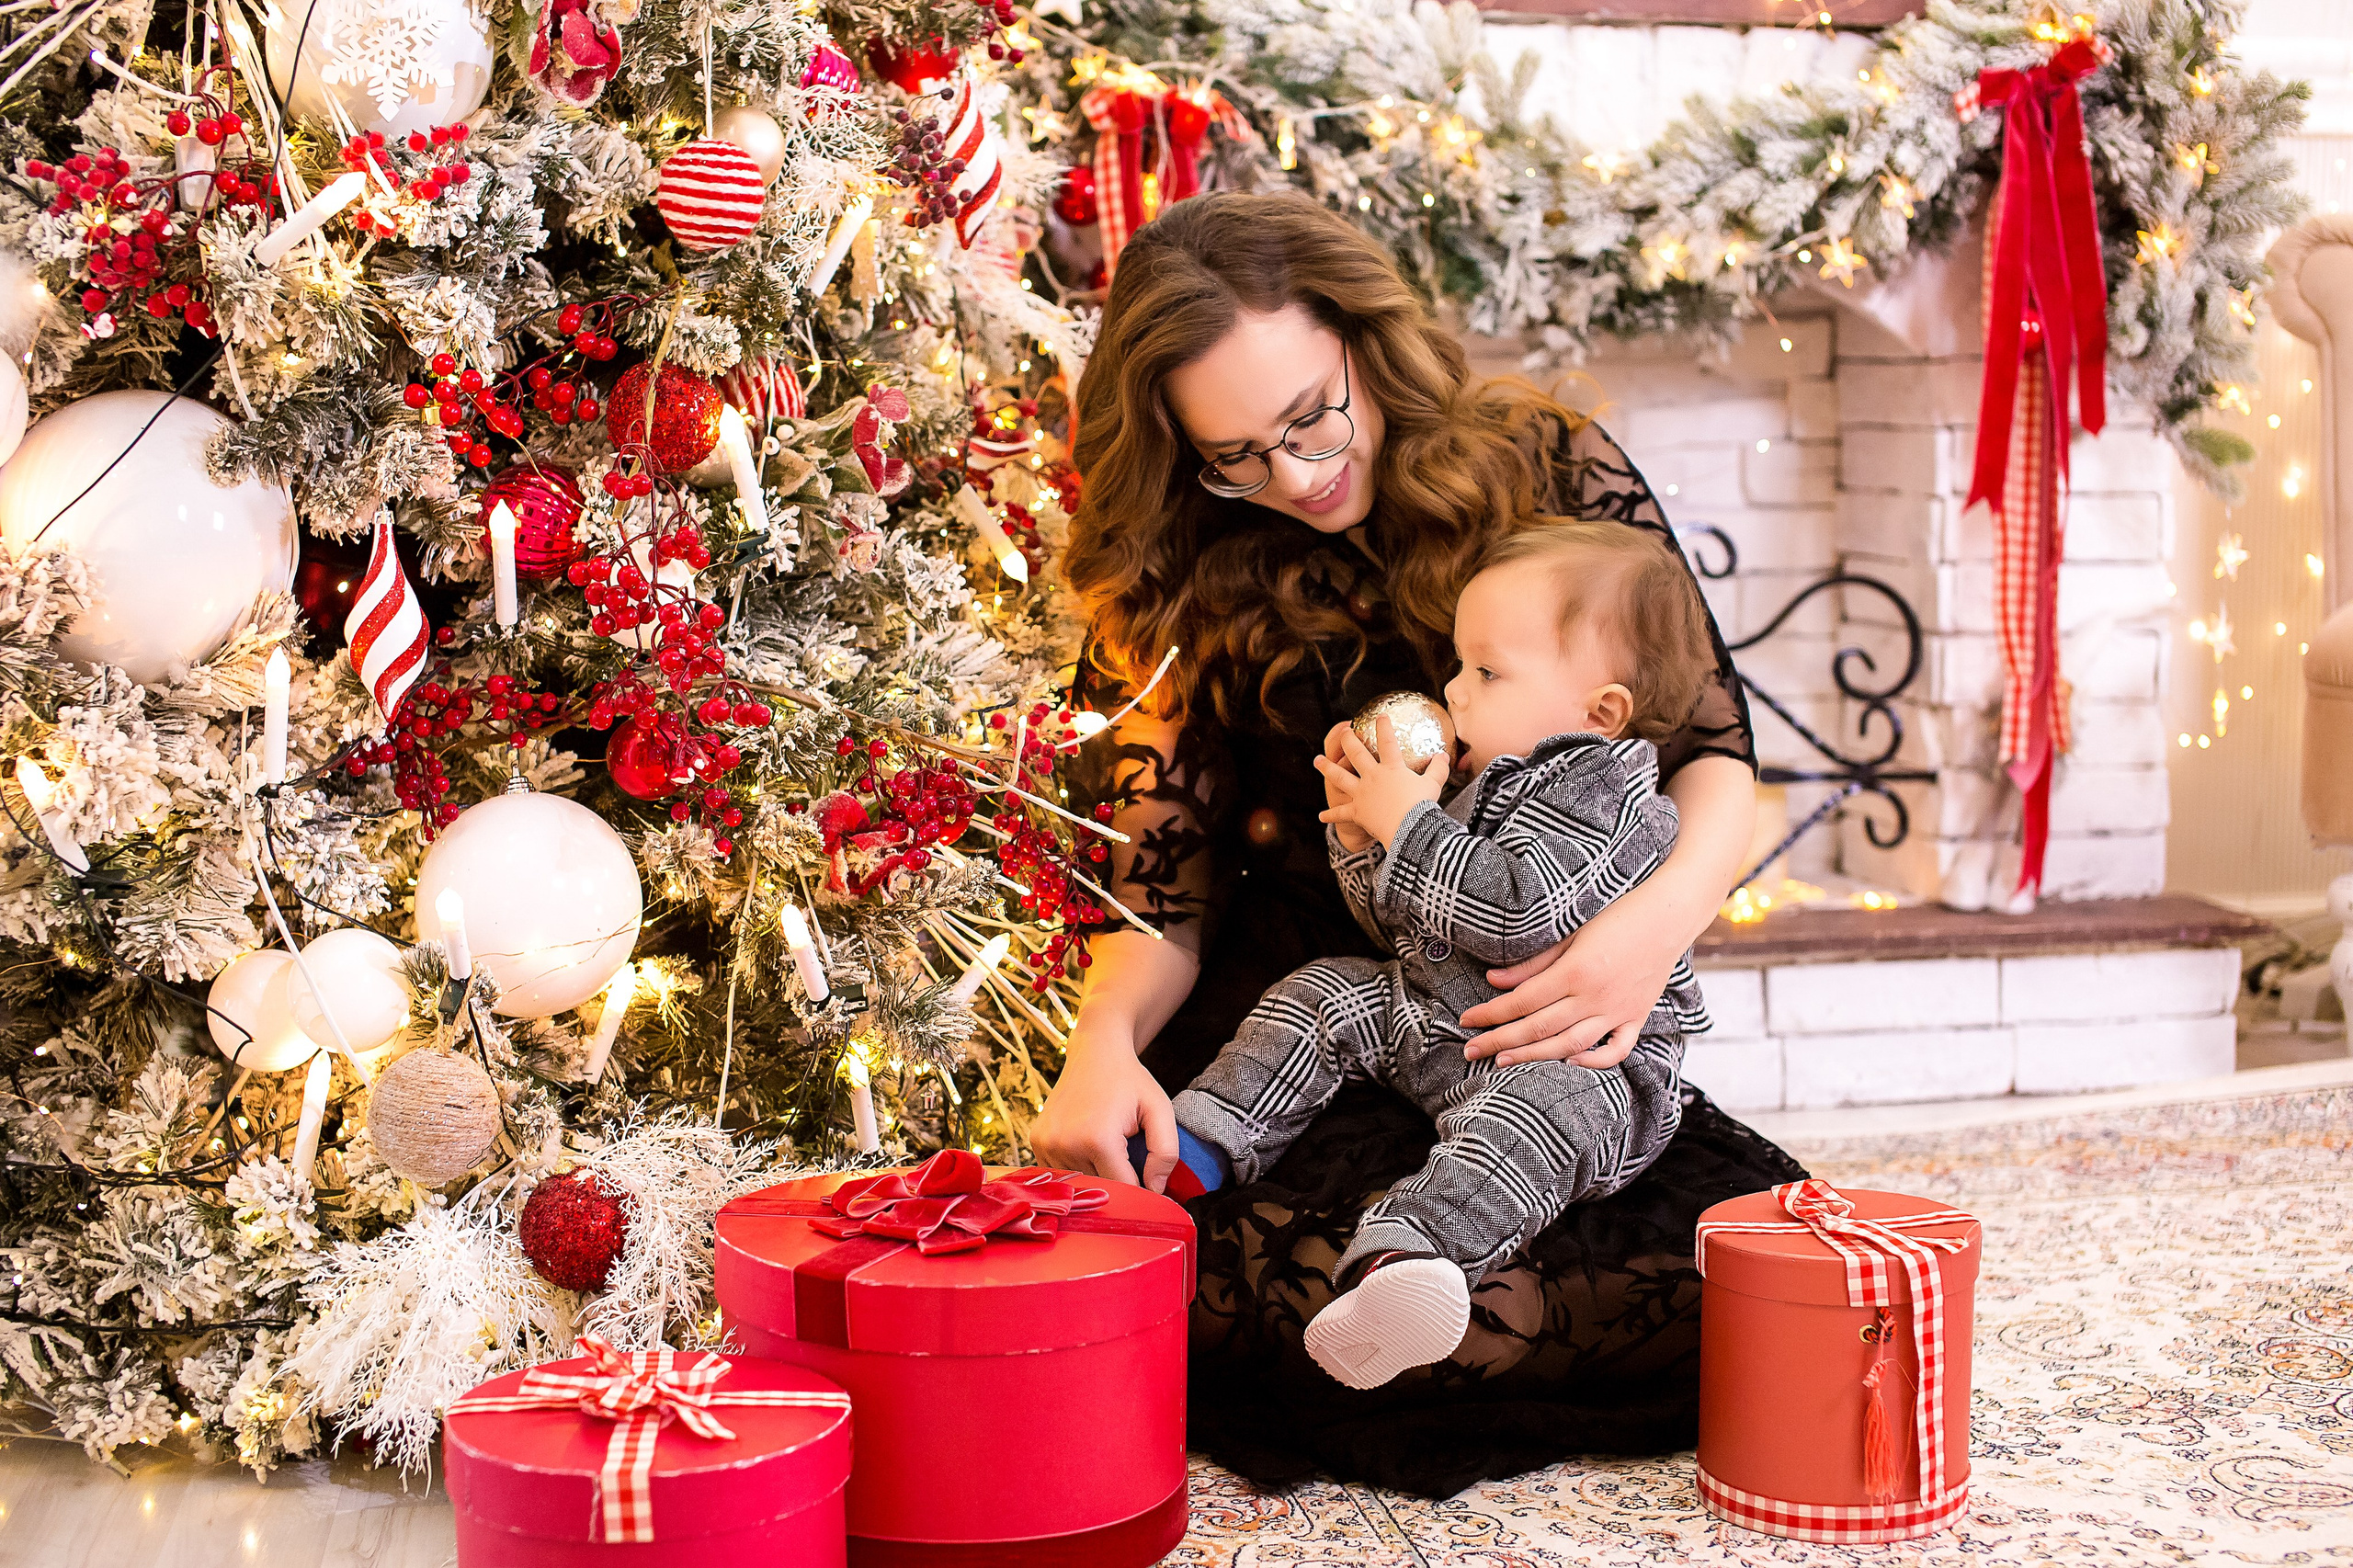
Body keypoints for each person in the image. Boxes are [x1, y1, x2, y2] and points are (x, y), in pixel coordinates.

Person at [1039, 190, 1805, 1495]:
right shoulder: (1180, 569)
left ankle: (1413, 1279)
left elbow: (1713, 753)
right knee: (1238, 1296)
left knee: (1753, 1280)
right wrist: (1098, 1049)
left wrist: (1645, 936)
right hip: (1314, 1013)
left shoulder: (1550, 465)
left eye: (1308, 418)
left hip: (1539, 1006)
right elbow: (1158, 896)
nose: (1291, 478)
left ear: (1364, 338)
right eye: (1232, 455)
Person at [1145, 522, 1722, 1392]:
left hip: (1570, 1059)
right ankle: (1196, 1150)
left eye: (1486, 673)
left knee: (1521, 1131)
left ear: (1599, 712)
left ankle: (1408, 1264)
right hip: (1447, 1016)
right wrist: (1356, 828)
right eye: (1459, 665)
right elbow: (1403, 921)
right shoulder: (1486, 780)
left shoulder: (1604, 791)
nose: (1453, 690)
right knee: (1321, 994)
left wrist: (1405, 823)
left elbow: (1517, 912)